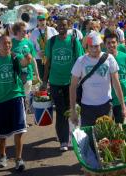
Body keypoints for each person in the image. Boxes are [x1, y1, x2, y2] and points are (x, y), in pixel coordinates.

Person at [0, 35, 32, 171]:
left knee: (20, 129)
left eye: (9, 43)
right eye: (4, 43)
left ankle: (19, 159)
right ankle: (2, 155)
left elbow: (24, 63)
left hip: (16, 96)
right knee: (1, 132)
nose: (8, 45)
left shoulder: (15, 57)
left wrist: (28, 57)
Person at [42, 16, 84, 151]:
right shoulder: (51, 42)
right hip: (55, 82)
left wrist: (81, 80)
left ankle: (72, 137)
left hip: (71, 83)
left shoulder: (73, 41)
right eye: (59, 24)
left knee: (71, 109)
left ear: (69, 26)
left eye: (64, 25)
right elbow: (47, 62)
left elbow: (80, 61)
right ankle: (63, 141)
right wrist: (44, 81)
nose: (61, 26)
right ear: (56, 26)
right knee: (60, 111)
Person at [69, 31, 126, 127]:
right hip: (87, 107)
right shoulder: (81, 61)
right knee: (88, 138)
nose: (93, 49)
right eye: (91, 46)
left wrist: (123, 106)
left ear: (100, 45)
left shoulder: (109, 59)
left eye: (96, 46)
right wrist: (73, 111)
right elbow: (72, 87)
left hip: (106, 106)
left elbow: (116, 84)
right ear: (87, 47)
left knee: (105, 138)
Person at [11, 22, 40, 111]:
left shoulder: (28, 43)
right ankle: (17, 119)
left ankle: (23, 120)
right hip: (15, 76)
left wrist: (37, 75)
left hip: (28, 75)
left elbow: (33, 60)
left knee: (26, 99)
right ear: (17, 31)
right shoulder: (10, 43)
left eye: (26, 30)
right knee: (16, 99)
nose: (25, 32)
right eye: (23, 31)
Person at [30, 14, 58, 80]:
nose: (42, 21)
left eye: (43, 19)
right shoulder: (34, 32)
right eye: (40, 20)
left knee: (52, 77)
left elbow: (57, 42)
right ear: (37, 21)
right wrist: (37, 53)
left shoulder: (52, 30)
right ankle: (44, 89)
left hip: (51, 57)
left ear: (46, 20)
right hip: (39, 59)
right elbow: (31, 46)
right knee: (42, 77)